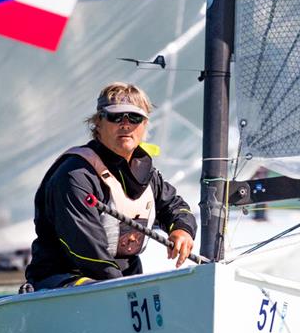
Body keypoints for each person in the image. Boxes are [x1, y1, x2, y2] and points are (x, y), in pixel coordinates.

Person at [24, 82, 197, 290]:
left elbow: (176, 206)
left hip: (120, 283)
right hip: (65, 280)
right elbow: (86, 250)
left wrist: (182, 229)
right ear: (98, 123)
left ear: (144, 124)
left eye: (134, 118)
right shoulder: (75, 176)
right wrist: (125, 289)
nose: (125, 124)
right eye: (116, 117)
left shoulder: (147, 173)